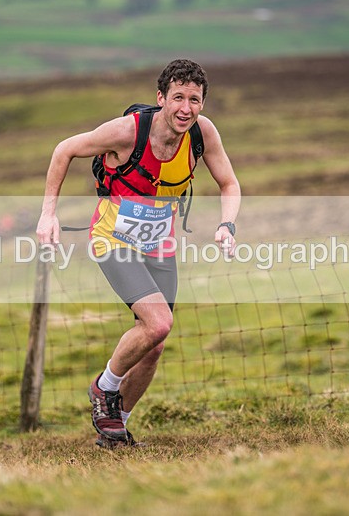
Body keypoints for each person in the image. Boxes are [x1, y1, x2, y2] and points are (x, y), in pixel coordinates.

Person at [37, 59, 240, 447]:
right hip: (113, 239)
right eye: (178, 97)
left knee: (154, 345)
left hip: (159, 244)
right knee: (159, 323)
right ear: (160, 97)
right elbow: (64, 150)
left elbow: (229, 183)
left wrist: (226, 225)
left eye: (194, 100)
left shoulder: (203, 133)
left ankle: (116, 430)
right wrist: (48, 214)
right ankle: (104, 387)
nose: (186, 109)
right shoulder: (127, 132)